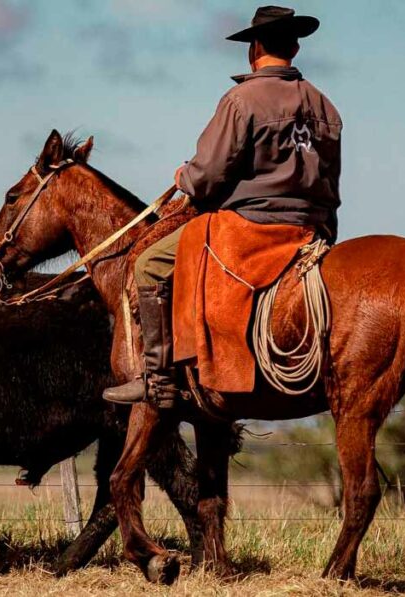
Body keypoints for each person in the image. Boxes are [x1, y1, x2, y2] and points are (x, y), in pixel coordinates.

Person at [103, 5, 343, 407]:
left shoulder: (241, 101)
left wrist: (184, 176)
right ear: (296, 48)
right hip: (310, 228)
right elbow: (331, 179)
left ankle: (157, 378)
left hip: (250, 227)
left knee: (149, 263)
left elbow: (205, 178)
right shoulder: (326, 107)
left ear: (255, 48)